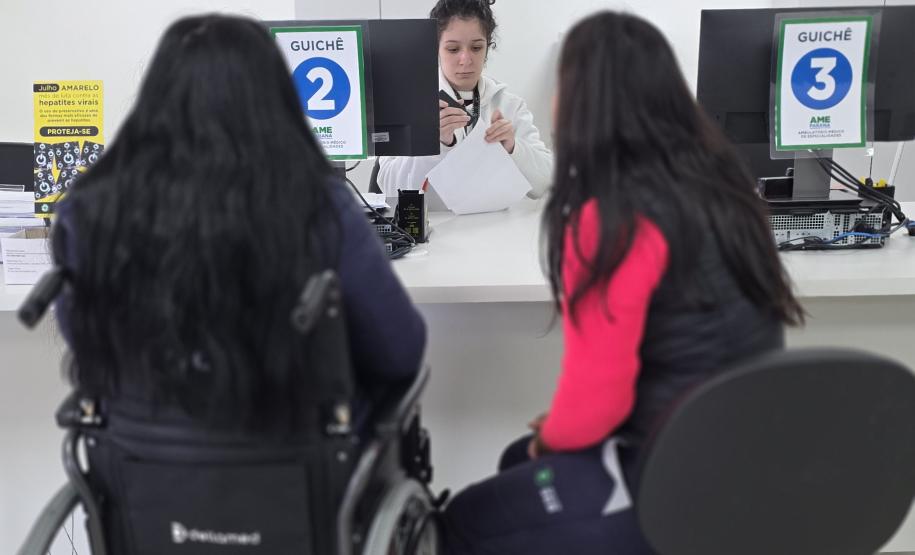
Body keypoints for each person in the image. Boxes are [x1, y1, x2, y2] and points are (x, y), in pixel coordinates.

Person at [441, 11, 804, 554]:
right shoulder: (727, 194)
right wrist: (556, 433)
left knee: (460, 522)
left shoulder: (613, 217)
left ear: (583, 103)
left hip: (666, 480)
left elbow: (598, 403)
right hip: (744, 466)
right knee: (520, 461)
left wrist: (553, 436)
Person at [51, 14, 426, 436]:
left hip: (135, 464)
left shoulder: (89, 211)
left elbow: (84, 338)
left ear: (154, 99)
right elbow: (400, 351)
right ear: (276, 101)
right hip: (297, 462)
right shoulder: (320, 207)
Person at [376, 0, 553, 200]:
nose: (466, 60)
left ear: (488, 47)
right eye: (453, 49)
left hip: (493, 219)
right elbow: (389, 187)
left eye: (476, 48)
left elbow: (544, 183)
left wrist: (513, 148)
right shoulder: (409, 104)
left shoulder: (509, 106)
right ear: (435, 48)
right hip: (434, 220)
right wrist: (435, 144)